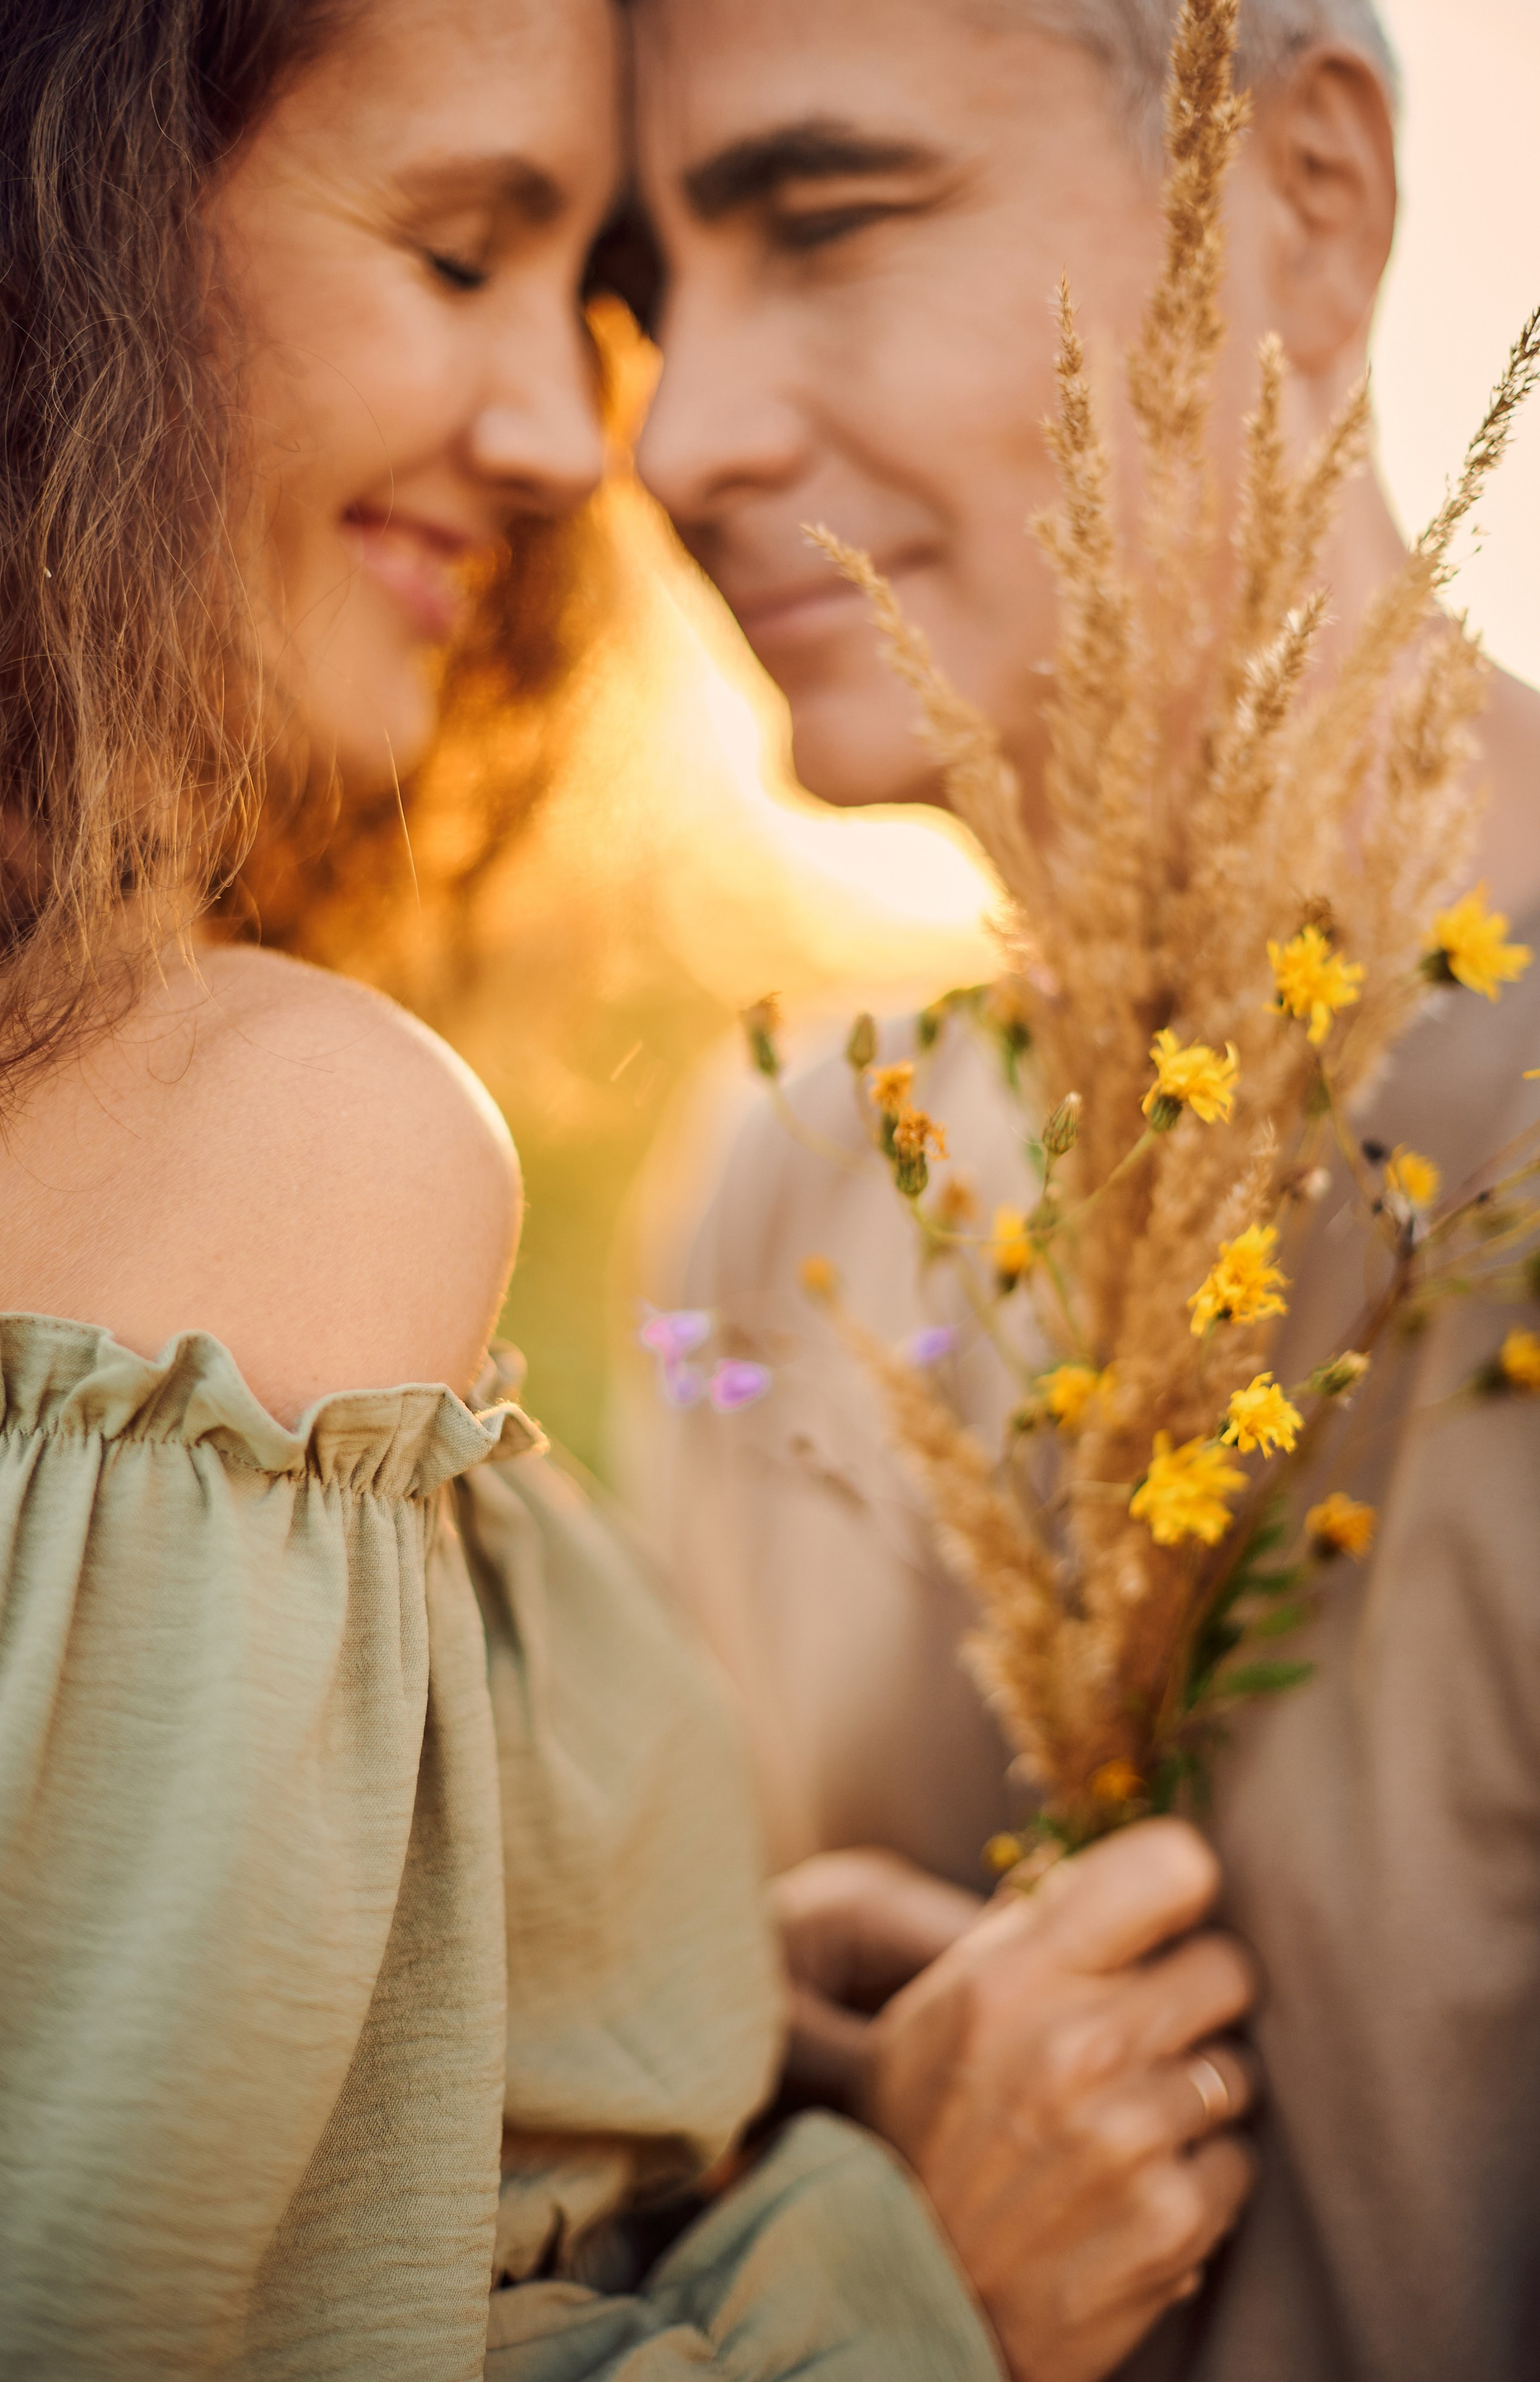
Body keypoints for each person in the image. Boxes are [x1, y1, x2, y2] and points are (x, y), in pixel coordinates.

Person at [0, 2, 1257, 2376]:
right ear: (41, 246)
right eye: (462, 256)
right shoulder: (270, 1128)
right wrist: (909, 2289)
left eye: (596, 307)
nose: (581, 438)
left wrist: (688, 2033)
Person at [625, 1, 1540, 2376]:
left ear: (1309, 196)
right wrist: (784, 2137)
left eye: (826, 221)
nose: (676, 431)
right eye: (640, 287)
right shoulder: (785, 1202)